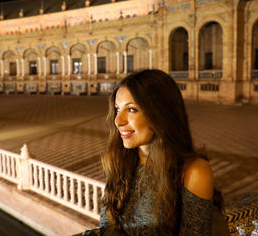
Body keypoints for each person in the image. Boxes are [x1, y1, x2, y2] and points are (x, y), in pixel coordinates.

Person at [88, 69, 229, 235]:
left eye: (131, 109)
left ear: (160, 113)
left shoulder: (193, 172)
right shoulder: (119, 161)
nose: (118, 121)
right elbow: (107, 227)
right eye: (118, 109)